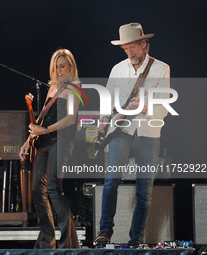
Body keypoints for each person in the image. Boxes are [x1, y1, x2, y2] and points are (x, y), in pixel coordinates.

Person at [94, 23, 170, 246]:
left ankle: (136, 240)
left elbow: (164, 107)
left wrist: (145, 108)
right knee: (111, 181)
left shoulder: (161, 68)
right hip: (122, 131)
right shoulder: (118, 69)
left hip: (148, 134)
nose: (129, 53)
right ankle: (104, 231)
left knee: (144, 192)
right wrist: (104, 119)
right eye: (125, 48)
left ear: (144, 44)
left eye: (133, 47)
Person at [19, 49, 81, 249]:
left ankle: (69, 243)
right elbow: (41, 120)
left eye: (62, 66)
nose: (59, 70)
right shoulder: (52, 88)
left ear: (70, 66)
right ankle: (47, 241)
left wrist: (44, 130)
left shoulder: (74, 88)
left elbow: (70, 119)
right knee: (38, 189)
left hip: (62, 140)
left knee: (54, 187)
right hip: (45, 141)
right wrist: (28, 142)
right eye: (56, 66)